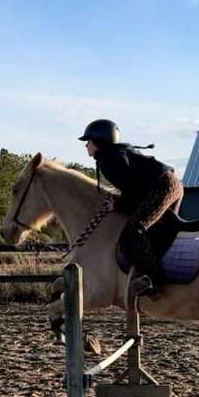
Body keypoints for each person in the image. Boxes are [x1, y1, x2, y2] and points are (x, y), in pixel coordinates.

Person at [79, 119, 184, 295]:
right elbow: (134, 190)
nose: (86, 145)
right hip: (171, 184)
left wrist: (117, 204)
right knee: (155, 230)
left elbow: (133, 192)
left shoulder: (109, 160)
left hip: (163, 187)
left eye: (88, 141)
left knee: (135, 230)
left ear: (99, 141)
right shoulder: (114, 155)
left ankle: (156, 282)